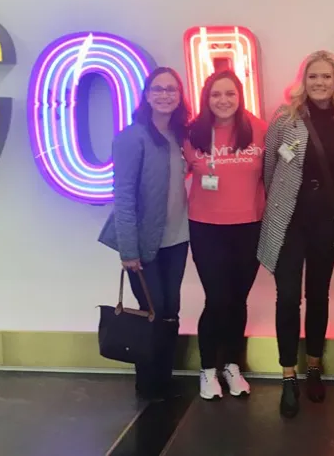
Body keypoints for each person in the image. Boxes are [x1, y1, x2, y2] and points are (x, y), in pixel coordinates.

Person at [257, 50, 334, 418]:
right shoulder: (284, 119)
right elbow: (269, 170)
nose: (320, 83)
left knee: (319, 296)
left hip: (326, 223)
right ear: (304, 80)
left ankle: (314, 365)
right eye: (313, 76)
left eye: (326, 77)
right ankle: (288, 374)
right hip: (289, 223)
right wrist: (282, 204)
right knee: (287, 299)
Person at [98, 67, 191, 401]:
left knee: (170, 311)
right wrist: (128, 250)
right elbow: (122, 196)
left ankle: (163, 378)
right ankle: (148, 382)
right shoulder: (131, 137)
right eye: (158, 89)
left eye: (172, 90)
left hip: (178, 240)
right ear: (147, 95)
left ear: (180, 97)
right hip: (143, 244)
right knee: (152, 311)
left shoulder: (180, 136)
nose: (165, 95)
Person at [184, 69, 268, 400]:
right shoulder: (193, 133)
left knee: (238, 300)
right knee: (217, 299)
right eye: (216, 94)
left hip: (249, 227)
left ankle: (232, 365)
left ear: (240, 96)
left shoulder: (259, 130)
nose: (223, 100)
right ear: (207, 99)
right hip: (206, 228)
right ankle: (207, 370)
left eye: (230, 94)